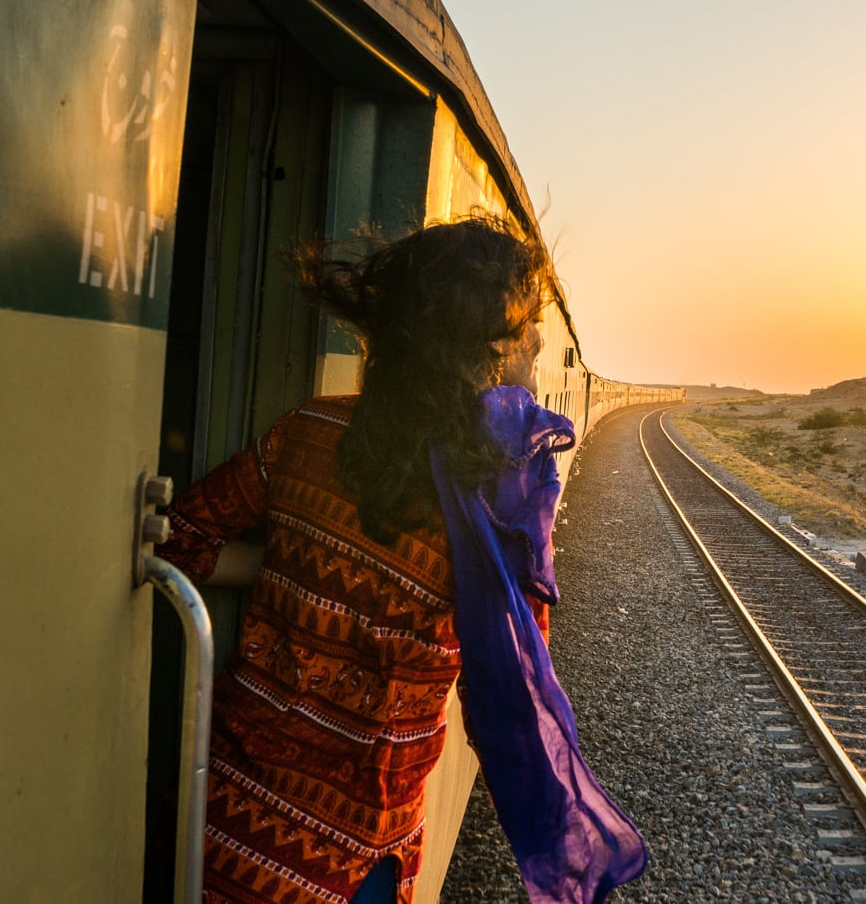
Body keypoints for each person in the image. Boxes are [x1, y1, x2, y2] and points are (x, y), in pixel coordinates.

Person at [156, 214, 647, 904]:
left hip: (236, 831)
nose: (539, 339)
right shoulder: (492, 506)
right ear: (473, 350)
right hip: (368, 855)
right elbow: (509, 686)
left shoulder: (307, 431)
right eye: (524, 323)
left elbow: (180, 540)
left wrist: (287, 571)